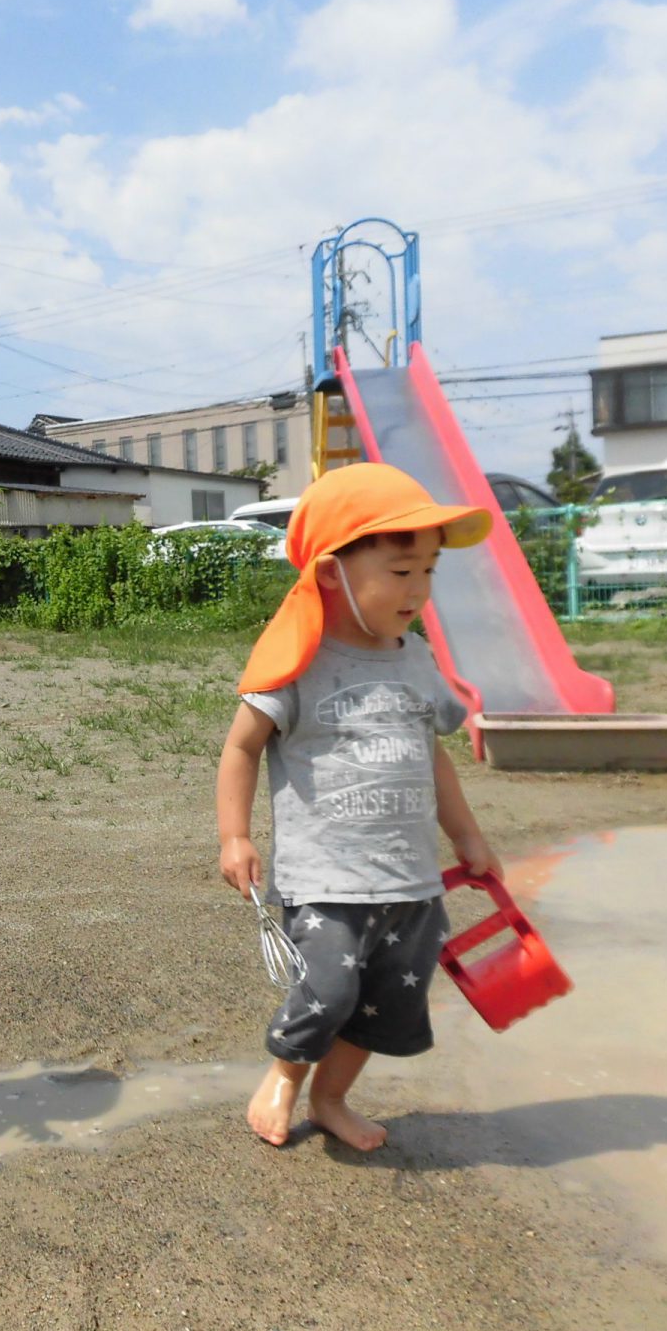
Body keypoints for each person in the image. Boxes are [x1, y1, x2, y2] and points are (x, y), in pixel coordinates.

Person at [215, 463, 503, 1151]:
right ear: (330, 573)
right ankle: (286, 1075)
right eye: (401, 571)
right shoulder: (299, 664)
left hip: (411, 881)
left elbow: (431, 755)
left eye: (428, 571)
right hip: (326, 878)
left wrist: (467, 835)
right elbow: (241, 748)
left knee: (387, 1004)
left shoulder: (415, 659)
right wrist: (235, 836)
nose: (418, 589)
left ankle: (332, 1098)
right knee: (329, 991)